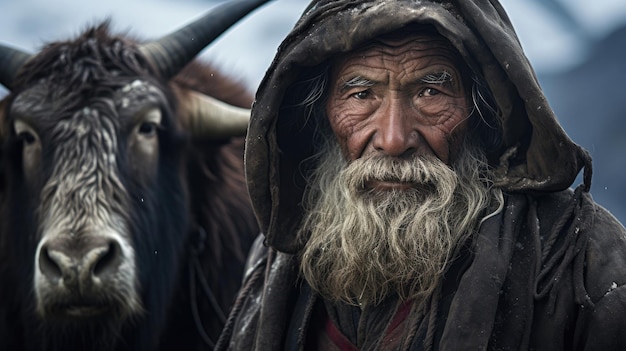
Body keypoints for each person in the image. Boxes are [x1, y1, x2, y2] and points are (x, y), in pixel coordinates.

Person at [216, 0, 626, 349]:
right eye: (361, 95)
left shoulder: (579, 261)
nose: (394, 139)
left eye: (430, 91)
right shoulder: (275, 264)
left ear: (482, 113)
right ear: (322, 116)